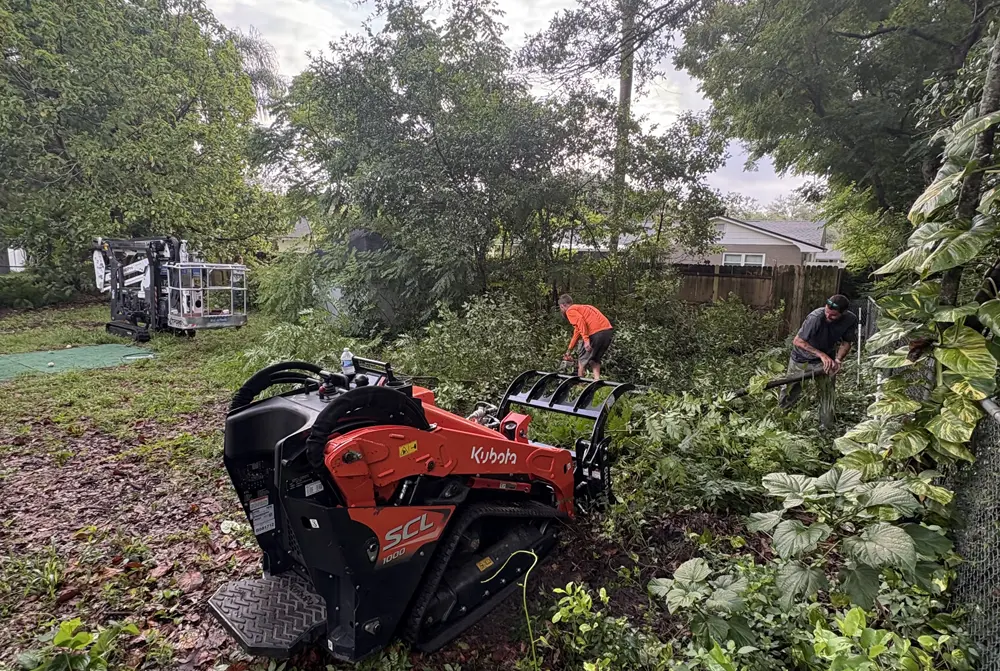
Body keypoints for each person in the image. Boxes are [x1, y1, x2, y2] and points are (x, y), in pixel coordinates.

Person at [779, 294, 858, 428]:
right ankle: (780, 420)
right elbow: (797, 341)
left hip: (825, 363)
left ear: (843, 313)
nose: (828, 316)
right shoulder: (815, 317)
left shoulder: (850, 319)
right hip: (801, 360)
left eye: (833, 315)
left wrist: (838, 360)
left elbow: (846, 342)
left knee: (827, 395)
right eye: (827, 312)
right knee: (790, 391)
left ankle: (826, 429)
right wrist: (821, 354)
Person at [558, 294, 614, 380]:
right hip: (607, 332)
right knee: (594, 359)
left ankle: (580, 384)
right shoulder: (584, 308)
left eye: (561, 308)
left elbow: (580, 321)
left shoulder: (570, 310)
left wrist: (586, 340)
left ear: (562, 306)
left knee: (582, 359)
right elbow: (577, 332)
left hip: (595, 332)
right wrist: (569, 350)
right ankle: (596, 380)